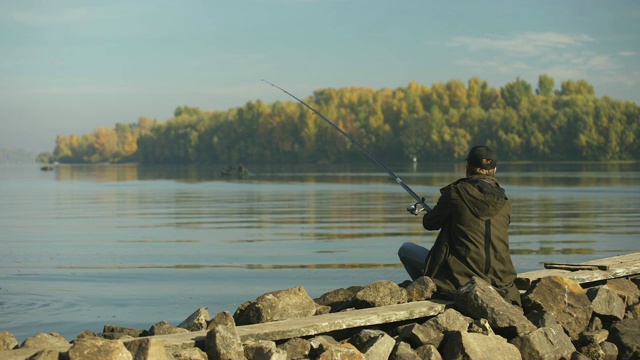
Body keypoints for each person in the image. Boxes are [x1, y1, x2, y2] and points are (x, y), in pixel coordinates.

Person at [398, 145, 521, 305]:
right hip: (501, 284)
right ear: (495, 170)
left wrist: (433, 213)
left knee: (406, 249)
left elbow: (430, 223)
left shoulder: (455, 193)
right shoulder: (506, 203)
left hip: (459, 282)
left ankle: (429, 292)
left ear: (467, 167)